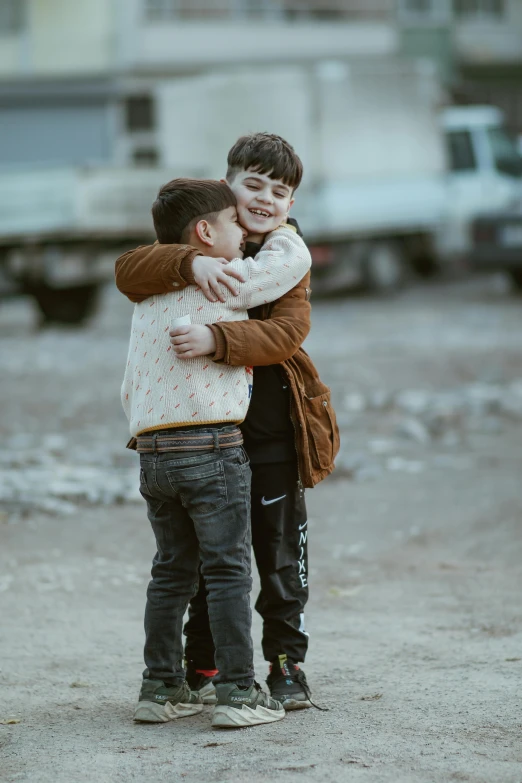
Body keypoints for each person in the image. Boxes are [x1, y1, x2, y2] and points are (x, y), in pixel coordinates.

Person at [116, 133, 339, 711]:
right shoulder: (198, 236)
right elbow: (129, 270)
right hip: (207, 436)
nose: (265, 199)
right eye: (254, 185)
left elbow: (287, 332)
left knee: (278, 554)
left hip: (269, 432)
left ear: (291, 203)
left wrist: (219, 338)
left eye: (280, 191)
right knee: (206, 558)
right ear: (228, 186)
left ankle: (286, 665)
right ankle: (203, 663)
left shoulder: (287, 260)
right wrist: (191, 261)